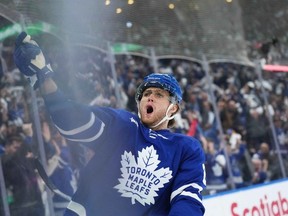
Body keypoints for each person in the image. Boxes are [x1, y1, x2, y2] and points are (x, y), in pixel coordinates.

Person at [13, 32, 206, 215]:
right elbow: (74, 121)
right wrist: (44, 77)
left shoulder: (186, 148)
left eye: (159, 95)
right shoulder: (124, 125)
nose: (150, 98)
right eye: (146, 94)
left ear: (173, 109)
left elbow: (187, 198)